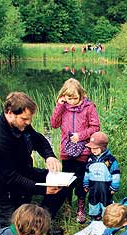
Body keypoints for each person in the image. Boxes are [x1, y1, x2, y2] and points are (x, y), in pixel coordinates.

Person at [0, 92, 64, 235]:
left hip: (25, 173)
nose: (28, 123)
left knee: (61, 180)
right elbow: (11, 179)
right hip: (4, 191)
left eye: (30, 119)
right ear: (9, 112)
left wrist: (49, 156)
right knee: (18, 233)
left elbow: (38, 139)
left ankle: (44, 219)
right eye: (24, 119)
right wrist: (43, 190)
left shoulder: (22, 125)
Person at [50, 78, 100, 224]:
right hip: (66, 150)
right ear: (63, 96)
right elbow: (54, 124)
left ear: (81, 94)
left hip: (83, 150)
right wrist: (59, 106)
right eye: (68, 98)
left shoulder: (89, 107)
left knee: (80, 180)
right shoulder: (63, 107)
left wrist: (81, 136)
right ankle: (66, 205)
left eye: (75, 98)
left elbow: (95, 127)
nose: (71, 101)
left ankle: (80, 207)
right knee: (66, 179)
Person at [83, 131, 120, 221]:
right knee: (93, 200)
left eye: (96, 148)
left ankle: (106, 216)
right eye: (91, 148)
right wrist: (86, 184)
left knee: (106, 201)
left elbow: (116, 174)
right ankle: (94, 216)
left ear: (103, 147)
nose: (93, 150)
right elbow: (87, 172)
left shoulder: (110, 160)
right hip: (93, 185)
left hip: (105, 187)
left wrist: (114, 187)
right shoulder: (90, 159)